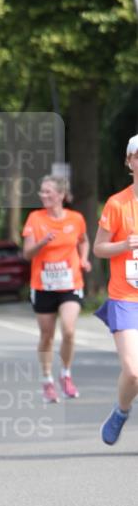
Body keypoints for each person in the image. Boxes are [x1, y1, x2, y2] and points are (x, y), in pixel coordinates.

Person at [22, 176, 91, 402]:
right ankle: (47, 380)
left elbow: (83, 240)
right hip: (43, 285)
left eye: (48, 192)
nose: (43, 196)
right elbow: (27, 253)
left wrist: (84, 259)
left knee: (69, 330)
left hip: (70, 283)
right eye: (42, 192)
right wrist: (43, 242)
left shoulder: (76, 218)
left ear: (61, 195)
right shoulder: (34, 218)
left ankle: (66, 374)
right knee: (47, 335)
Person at [94, 135, 138, 445]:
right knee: (134, 371)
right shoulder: (117, 203)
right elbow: (98, 248)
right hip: (125, 297)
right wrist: (123, 245)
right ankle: (121, 411)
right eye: (137, 156)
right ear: (129, 162)